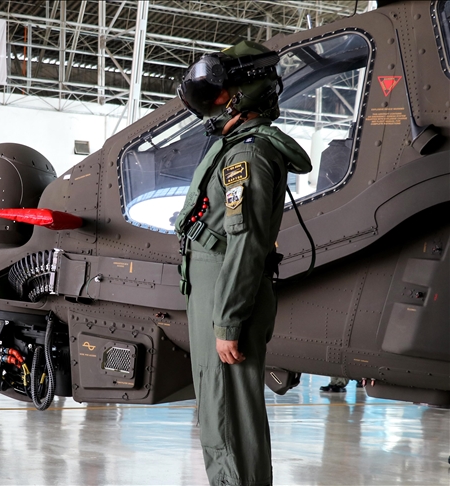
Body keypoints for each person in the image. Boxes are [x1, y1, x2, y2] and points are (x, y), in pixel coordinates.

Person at [175, 40, 312, 486]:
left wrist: (228, 321)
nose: (212, 101)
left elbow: (247, 242)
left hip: (225, 294)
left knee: (228, 416)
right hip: (213, 292)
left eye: (219, 92)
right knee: (218, 414)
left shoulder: (247, 155)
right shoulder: (233, 146)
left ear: (242, 94)